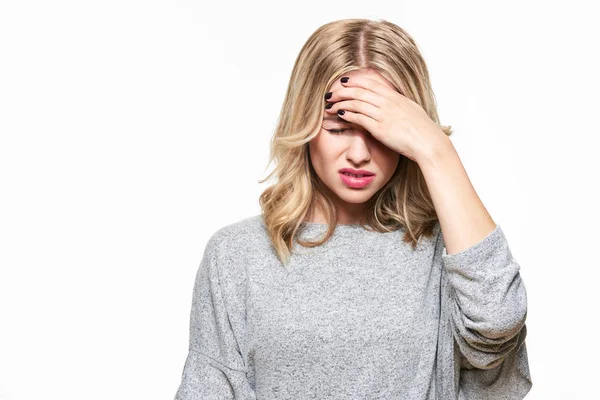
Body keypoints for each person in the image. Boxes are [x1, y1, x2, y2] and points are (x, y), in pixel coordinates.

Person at [174, 18, 532, 399]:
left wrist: (437, 151)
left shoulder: (448, 254)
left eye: (380, 130)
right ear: (305, 124)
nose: (359, 154)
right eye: (338, 127)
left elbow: (497, 323)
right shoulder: (236, 254)